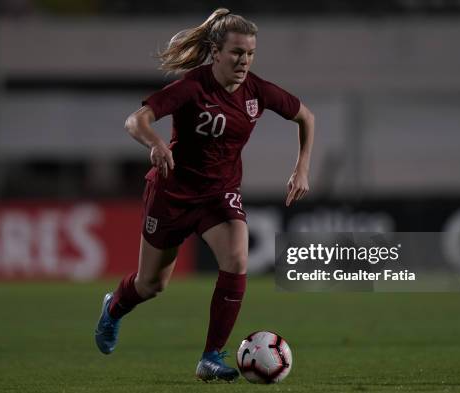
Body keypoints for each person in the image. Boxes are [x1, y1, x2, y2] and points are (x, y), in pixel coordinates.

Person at [95, 8, 315, 382]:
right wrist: (156, 143)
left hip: (219, 194)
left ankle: (210, 356)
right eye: (236, 53)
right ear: (216, 53)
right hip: (172, 193)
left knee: (237, 258)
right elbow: (136, 120)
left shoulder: (257, 91)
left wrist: (302, 168)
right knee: (152, 285)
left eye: (249, 53)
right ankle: (113, 308)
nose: (243, 60)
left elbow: (306, 117)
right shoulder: (192, 87)